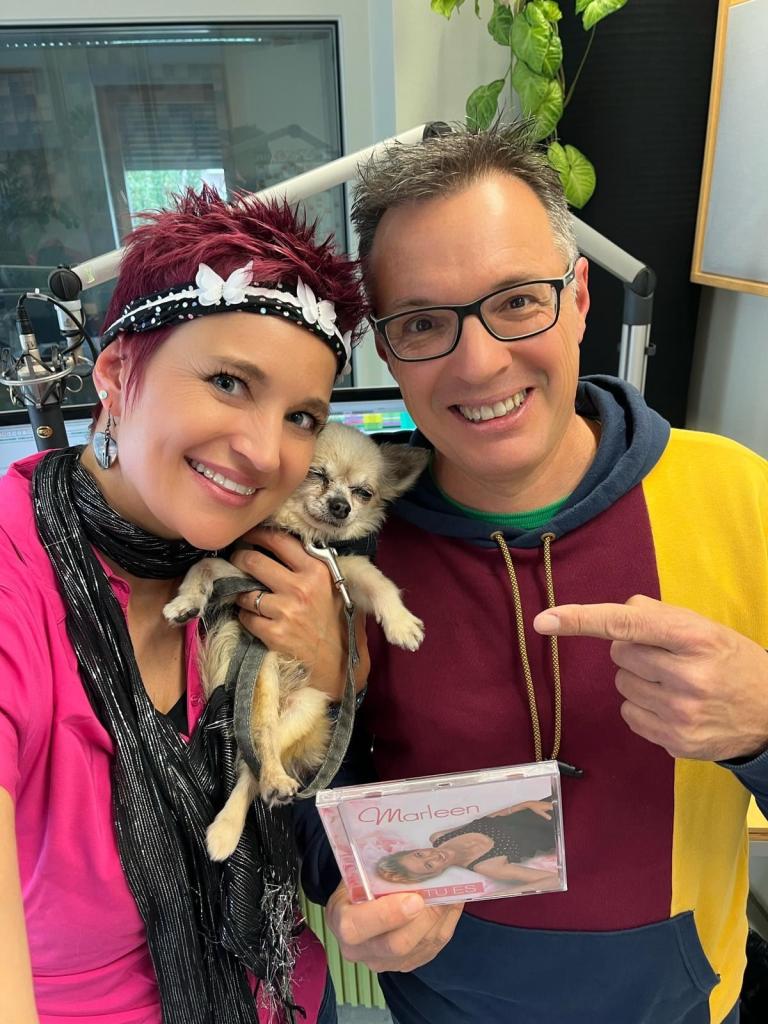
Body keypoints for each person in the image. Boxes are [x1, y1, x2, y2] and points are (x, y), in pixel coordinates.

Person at [299, 123, 768, 1024]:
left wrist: (762, 726)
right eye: (424, 323)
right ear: (386, 351)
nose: (479, 363)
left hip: (685, 1004)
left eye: (517, 301)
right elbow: (307, 792)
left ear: (580, 297)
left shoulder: (739, 498)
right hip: (444, 1006)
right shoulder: (350, 551)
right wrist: (349, 887)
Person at [0, 187, 369, 1024]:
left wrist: (341, 670)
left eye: (301, 416)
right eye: (228, 381)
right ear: (114, 375)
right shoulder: (19, 583)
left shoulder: (271, 573)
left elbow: (303, 794)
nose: (265, 452)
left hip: (289, 997)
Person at [376, 799, 558, 887]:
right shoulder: (486, 866)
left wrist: (527, 804)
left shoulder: (439, 836)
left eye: (419, 854)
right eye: (429, 865)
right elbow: (553, 880)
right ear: (435, 873)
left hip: (544, 803)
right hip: (560, 826)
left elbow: (486, 819)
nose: (433, 856)